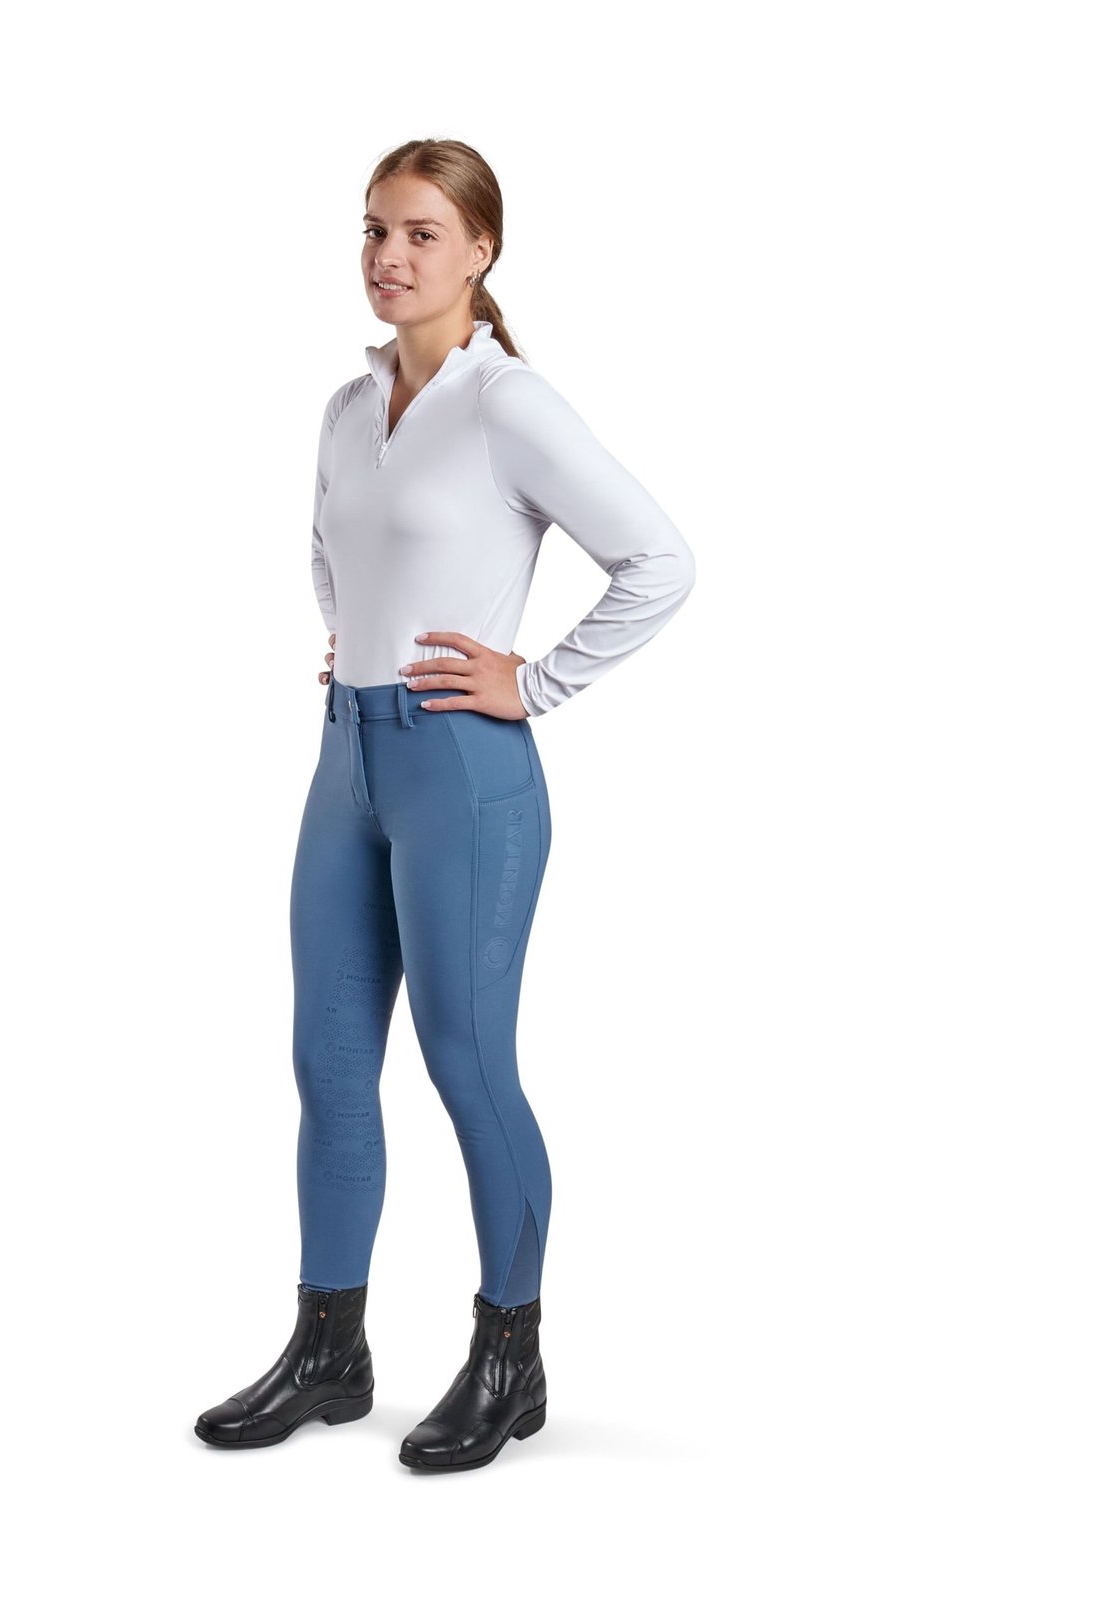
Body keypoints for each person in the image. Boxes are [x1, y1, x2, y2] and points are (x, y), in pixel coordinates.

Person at [194, 138, 696, 1471]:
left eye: (421, 233)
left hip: (463, 775)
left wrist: (536, 681)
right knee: (325, 1063)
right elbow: (328, 549)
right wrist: (357, 638)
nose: (389, 256)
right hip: (346, 765)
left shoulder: (506, 404)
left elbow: (660, 560)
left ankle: (509, 1357)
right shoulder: (347, 405)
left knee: (467, 1064)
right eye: (374, 230)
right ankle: (330, 1352)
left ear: (480, 251)